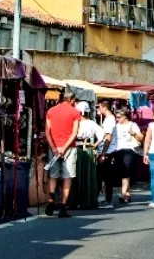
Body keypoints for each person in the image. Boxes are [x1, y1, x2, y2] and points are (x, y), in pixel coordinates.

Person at [45, 89, 82, 218]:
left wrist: (54, 148)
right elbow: (74, 133)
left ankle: (51, 198)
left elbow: (47, 132)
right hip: (69, 148)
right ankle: (62, 206)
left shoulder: (51, 111)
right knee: (67, 176)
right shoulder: (75, 112)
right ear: (72, 100)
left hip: (54, 147)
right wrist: (65, 147)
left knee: (53, 175)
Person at [71, 101, 103, 210]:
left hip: (77, 149)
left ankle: (76, 201)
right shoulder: (92, 123)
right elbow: (102, 135)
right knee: (87, 176)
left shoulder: (76, 122)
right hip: (87, 149)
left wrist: (94, 145)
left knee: (76, 175)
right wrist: (95, 145)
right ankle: (87, 201)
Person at [113, 108, 143, 203]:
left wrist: (133, 133)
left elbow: (141, 137)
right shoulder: (115, 126)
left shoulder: (132, 125)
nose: (117, 119)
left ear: (125, 116)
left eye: (118, 117)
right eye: (116, 117)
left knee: (125, 171)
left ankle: (123, 193)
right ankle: (127, 194)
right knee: (124, 172)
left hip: (129, 150)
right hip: (117, 150)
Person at [96, 101, 118, 208]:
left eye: (99, 107)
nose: (98, 109)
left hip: (108, 152)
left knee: (105, 177)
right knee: (104, 176)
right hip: (107, 151)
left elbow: (108, 137)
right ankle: (106, 199)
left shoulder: (109, 120)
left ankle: (108, 200)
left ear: (104, 107)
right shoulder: (109, 119)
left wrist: (103, 153)